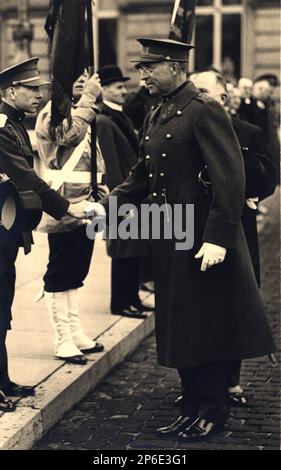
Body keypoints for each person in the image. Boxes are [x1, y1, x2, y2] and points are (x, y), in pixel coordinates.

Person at [90, 38, 276, 441]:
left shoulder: (204, 109)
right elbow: (143, 173)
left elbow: (230, 175)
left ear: (174, 67)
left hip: (201, 240)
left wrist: (219, 237)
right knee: (181, 327)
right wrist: (108, 205)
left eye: (149, 68)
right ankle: (191, 406)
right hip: (170, 234)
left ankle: (212, 410)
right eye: (141, 68)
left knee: (207, 326)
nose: (142, 75)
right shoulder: (160, 111)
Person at [0, 58, 89, 412]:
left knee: (2, 307)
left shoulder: (14, 125)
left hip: (7, 230)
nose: (39, 95)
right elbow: (25, 177)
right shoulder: (4, 128)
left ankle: (2, 380)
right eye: (31, 89)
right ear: (10, 92)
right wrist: (65, 208)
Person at [35, 70, 106, 365]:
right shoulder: (54, 112)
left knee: (78, 271)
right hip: (63, 204)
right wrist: (89, 98)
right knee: (60, 272)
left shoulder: (82, 113)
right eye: (74, 76)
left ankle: (75, 332)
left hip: (87, 204)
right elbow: (67, 135)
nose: (82, 80)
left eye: (85, 76)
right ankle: (62, 338)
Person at [96, 65, 153, 319]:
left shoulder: (119, 115)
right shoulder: (104, 119)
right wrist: (121, 203)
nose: (123, 90)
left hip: (133, 197)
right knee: (123, 252)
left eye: (122, 86)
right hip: (124, 199)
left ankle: (133, 299)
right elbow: (111, 165)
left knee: (134, 250)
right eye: (117, 87)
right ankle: (120, 301)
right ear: (104, 90)